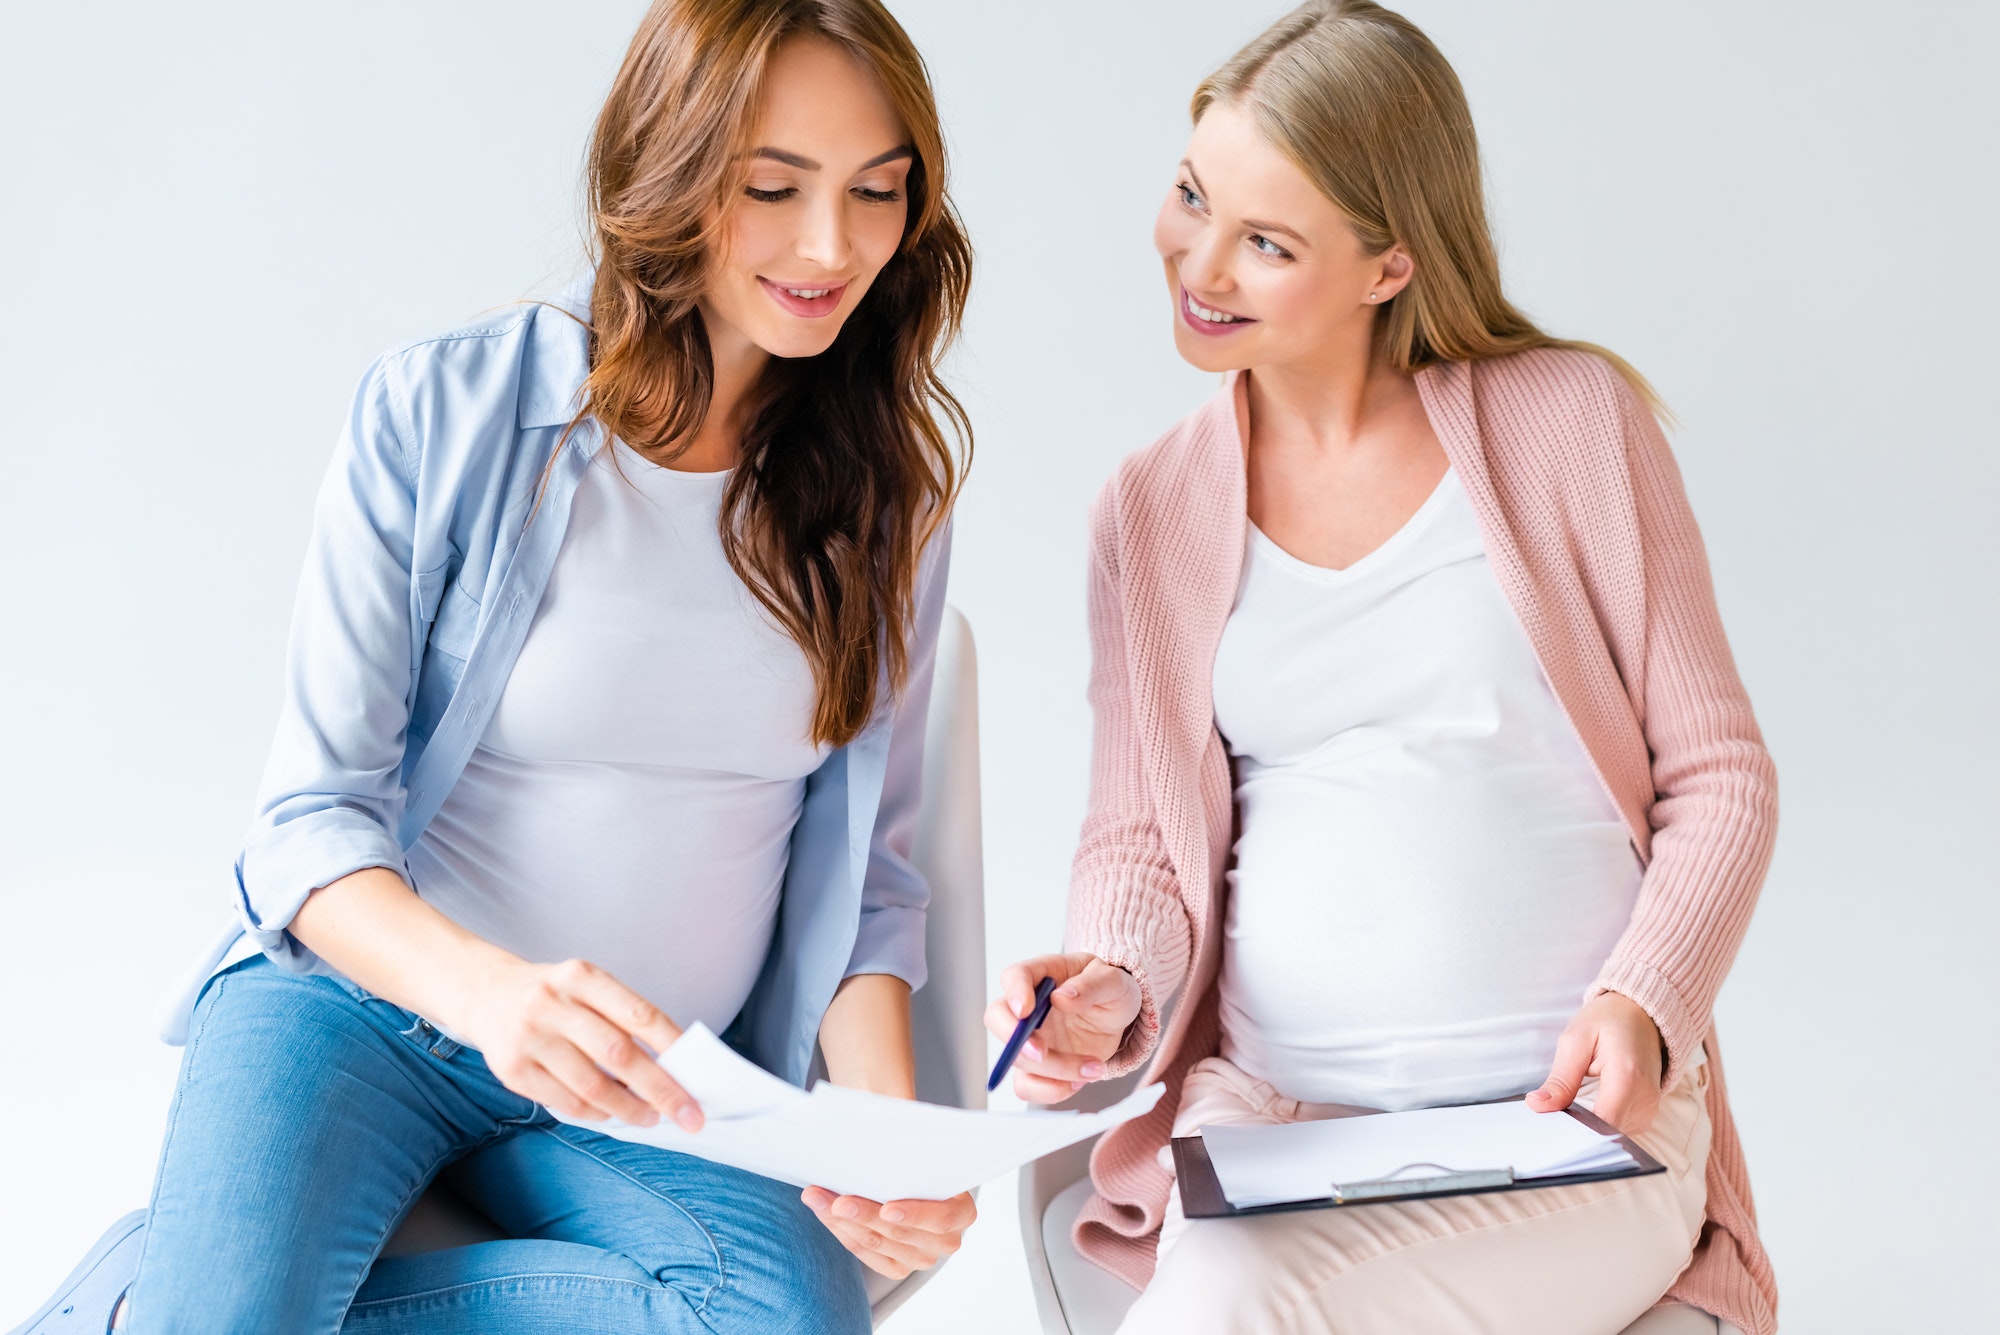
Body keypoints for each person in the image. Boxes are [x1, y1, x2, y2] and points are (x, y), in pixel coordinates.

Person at [14, 2, 976, 1332]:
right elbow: (305, 830)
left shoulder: (886, 502)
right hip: (365, 1015)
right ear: (673, 170)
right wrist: (496, 997)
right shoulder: (441, 412)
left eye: (879, 191)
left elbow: (868, 876)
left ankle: (158, 1304)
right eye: (774, 187)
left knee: (793, 1318)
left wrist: (881, 1124)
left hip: (655, 1084)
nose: (833, 245)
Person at [988, 3, 1778, 1332]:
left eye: (1268, 242)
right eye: (1193, 195)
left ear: (1388, 266)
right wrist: (1110, 980)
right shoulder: (1149, 507)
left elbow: (1721, 779)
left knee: (1220, 1314)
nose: (1201, 260)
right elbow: (1138, 832)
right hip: (1281, 1135)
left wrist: (1646, 1004)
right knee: (1231, 1286)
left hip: (1566, 1136)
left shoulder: (1568, 421)